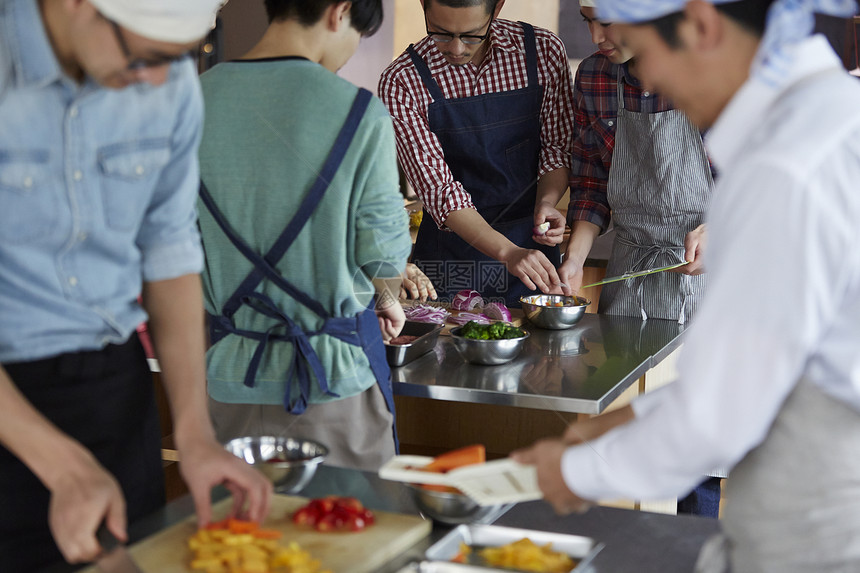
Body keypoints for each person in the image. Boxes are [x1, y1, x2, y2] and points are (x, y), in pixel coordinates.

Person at [513, 0, 860, 570]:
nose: (645, 78)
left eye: (645, 52)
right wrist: (602, 432)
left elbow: (719, 414)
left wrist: (568, 471)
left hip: (818, 525)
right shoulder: (832, 114)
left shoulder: (782, 166)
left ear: (700, 25)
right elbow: (751, 372)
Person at [0, 0, 273, 571]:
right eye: (145, 56)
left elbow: (170, 253)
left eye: (176, 59)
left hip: (112, 391)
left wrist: (195, 433)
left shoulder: (168, 80)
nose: (156, 80)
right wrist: (61, 464)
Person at [197, 0, 412, 473]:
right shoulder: (358, 112)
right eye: (358, 34)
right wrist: (388, 298)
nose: (351, 53)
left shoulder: (192, 101)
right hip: (331, 381)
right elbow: (383, 252)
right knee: (351, 537)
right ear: (340, 12)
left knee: (238, 542)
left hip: (228, 376)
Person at [561, 0, 721, 517]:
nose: (594, 36)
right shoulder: (595, 79)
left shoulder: (713, 66)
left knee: (699, 438)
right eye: (586, 18)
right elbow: (589, 177)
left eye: (605, 19)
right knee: (629, 427)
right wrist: (575, 255)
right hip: (632, 270)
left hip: (710, 272)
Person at [378, 0, 575, 306]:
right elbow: (439, 189)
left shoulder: (542, 52)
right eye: (440, 34)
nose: (456, 49)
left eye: (471, 35)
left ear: (496, 9)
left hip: (531, 250)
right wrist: (507, 252)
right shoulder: (402, 80)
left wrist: (548, 203)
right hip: (450, 258)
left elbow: (556, 148)